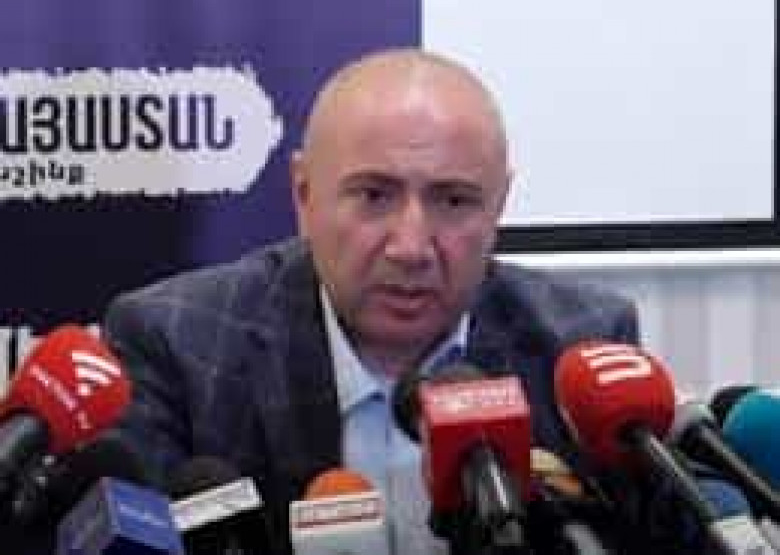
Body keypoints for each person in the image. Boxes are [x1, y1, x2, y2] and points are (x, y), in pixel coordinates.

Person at [102, 48, 639, 554]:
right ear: (304, 195)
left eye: (454, 200)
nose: (411, 248)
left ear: (499, 205)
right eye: (374, 196)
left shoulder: (580, 348)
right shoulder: (177, 347)